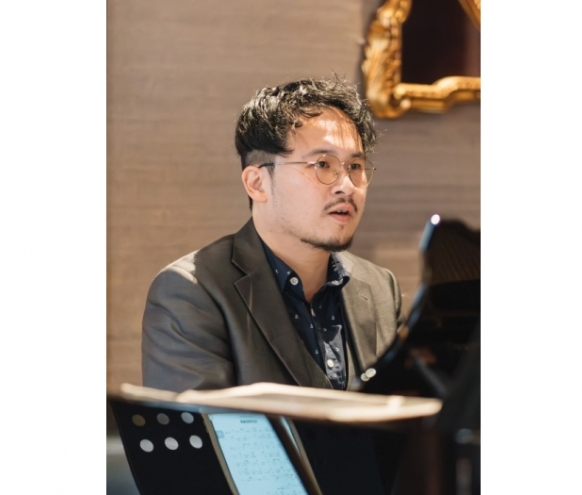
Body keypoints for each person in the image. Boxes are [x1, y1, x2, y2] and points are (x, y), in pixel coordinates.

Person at [142, 77, 405, 392]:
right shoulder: (191, 291)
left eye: (355, 166)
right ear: (257, 183)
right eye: (323, 164)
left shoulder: (380, 287)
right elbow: (205, 422)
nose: (346, 186)